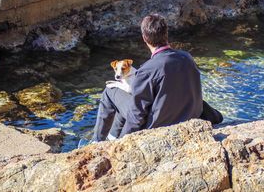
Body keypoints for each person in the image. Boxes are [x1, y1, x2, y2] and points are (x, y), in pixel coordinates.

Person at [91, 14, 222, 142]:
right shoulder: (187, 57)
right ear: (166, 33)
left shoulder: (147, 70)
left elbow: (137, 115)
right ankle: (112, 137)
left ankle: (96, 142)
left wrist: (123, 142)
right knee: (125, 96)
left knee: (110, 92)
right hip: (188, 116)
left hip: (158, 125)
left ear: (144, 38)